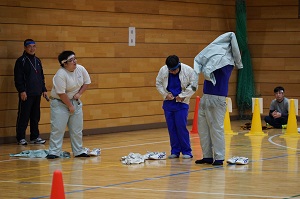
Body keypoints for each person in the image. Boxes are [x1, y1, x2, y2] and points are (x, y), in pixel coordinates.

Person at [192, 32, 243, 165]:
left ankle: (219, 157)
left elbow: (213, 66)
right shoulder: (214, 59)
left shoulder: (227, 63)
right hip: (206, 97)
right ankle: (207, 156)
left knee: (216, 129)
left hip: (217, 99)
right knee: (203, 129)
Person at [46, 50, 91, 159]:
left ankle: (78, 151)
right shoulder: (60, 75)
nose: (74, 61)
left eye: (75, 59)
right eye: (71, 60)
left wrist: (79, 94)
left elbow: (87, 82)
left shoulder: (81, 69)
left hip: (75, 102)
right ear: (64, 63)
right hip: (60, 103)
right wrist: (70, 106)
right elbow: (61, 93)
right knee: (58, 129)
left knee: (77, 129)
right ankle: (54, 152)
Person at [156, 55, 196, 159]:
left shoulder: (189, 71)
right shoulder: (163, 70)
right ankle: (175, 150)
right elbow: (158, 83)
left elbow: (193, 85)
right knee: (171, 128)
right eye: (170, 70)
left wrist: (183, 96)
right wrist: (165, 95)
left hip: (182, 103)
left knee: (181, 126)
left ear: (179, 65)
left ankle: (187, 151)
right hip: (169, 103)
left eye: (174, 70)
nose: (172, 72)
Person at [14, 39, 48, 145]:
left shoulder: (37, 60)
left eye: (34, 46)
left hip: (37, 92)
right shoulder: (21, 61)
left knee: (35, 116)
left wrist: (44, 89)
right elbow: (18, 77)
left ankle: (34, 137)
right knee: (24, 116)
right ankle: (21, 137)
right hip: (26, 93)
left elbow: (41, 76)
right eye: (29, 46)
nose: (32, 48)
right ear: (25, 48)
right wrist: (22, 90)